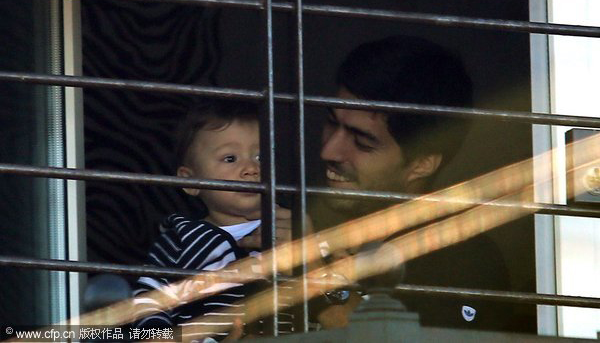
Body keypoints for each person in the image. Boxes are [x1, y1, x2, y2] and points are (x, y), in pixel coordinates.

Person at [310, 35, 530, 332]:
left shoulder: (462, 265)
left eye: (362, 141)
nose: (329, 151)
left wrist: (315, 284)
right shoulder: (313, 235)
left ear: (422, 163)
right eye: (331, 123)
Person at [133, 99, 293, 341]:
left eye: (261, 157)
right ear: (190, 182)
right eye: (230, 159)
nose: (251, 168)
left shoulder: (290, 227)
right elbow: (148, 301)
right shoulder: (181, 239)